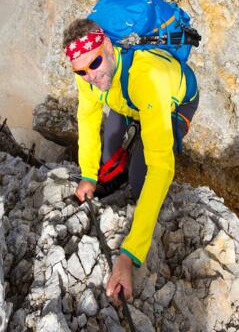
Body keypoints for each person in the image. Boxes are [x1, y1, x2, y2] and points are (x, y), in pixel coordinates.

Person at [63, 18, 199, 305]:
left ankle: (143, 144)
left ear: (109, 48)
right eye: (81, 71)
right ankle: (133, 141)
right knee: (105, 172)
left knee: (142, 182)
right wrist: (88, 176)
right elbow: (87, 120)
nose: (90, 76)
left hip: (170, 102)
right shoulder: (89, 73)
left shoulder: (146, 77)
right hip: (126, 101)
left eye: (95, 63)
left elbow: (162, 167)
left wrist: (129, 255)